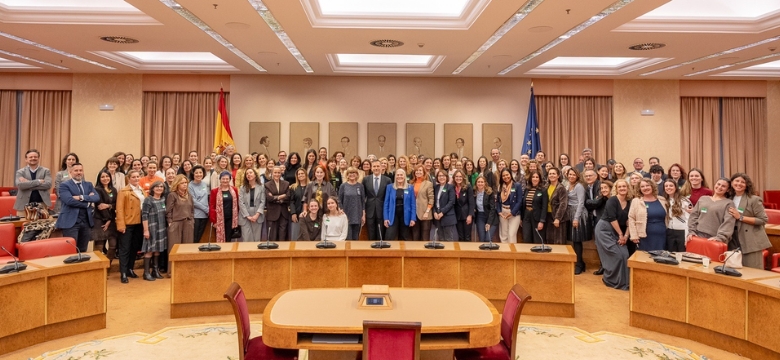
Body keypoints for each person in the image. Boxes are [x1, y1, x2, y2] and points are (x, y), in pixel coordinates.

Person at [594, 179, 632, 290]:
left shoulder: (630, 202)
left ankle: (625, 282)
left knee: (625, 255)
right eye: (619, 187)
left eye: (624, 186)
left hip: (619, 231)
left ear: (628, 188)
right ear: (616, 189)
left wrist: (625, 237)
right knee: (617, 255)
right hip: (604, 230)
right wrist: (621, 235)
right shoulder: (612, 200)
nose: (622, 188)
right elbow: (612, 218)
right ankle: (610, 279)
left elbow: (630, 221)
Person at [728, 173, 771, 269]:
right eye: (737, 181)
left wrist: (740, 217)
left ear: (747, 185)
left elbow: (763, 220)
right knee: (734, 271)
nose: (739, 184)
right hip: (733, 239)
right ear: (731, 183)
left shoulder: (754, 199)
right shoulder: (728, 198)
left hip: (750, 240)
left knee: (753, 271)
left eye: (743, 182)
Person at [56, 163, 99, 252]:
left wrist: (81, 197)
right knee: (71, 250)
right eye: (76, 170)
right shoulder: (64, 185)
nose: (78, 172)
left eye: (80, 170)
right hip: (70, 222)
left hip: (86, 222)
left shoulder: (89, 184)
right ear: (70, 172)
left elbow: (96, 197)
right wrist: (87, 203)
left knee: (83, 250)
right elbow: (69, 201)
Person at [687, 178, 736, 244]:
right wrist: (691, 232)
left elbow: (728, 222)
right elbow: (693, 216)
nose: (719, 187)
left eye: (723, 186)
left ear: (728, 190)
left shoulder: (729, 203)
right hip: (697, 235)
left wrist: (720, 237)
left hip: (715, 238)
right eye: (718, 184)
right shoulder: (703, 198)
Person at [116, 170, 143, 283]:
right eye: (134, 177)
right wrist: (121, 225)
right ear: (129, 178)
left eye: (138, 177)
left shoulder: (142, 190)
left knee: (134, 248)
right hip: (128, 223)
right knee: (125, 249)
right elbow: (120, 209)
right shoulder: (123, 191)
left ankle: (130, 269)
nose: (136, 179)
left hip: (139, 223)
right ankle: (123, 272)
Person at [628, 179, 668, 252]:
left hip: (662, 235)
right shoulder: (636, 201)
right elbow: (631, 218)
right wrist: (634, 235)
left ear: (652, 186)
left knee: (661, 258)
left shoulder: (662, 199)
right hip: (644, 236)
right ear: (639, 189)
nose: (645, 188)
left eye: (647, 185)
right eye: (642, 186)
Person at [166, 175, 194, 274]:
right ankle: (172, 271)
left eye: (186, 182)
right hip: (176, 223)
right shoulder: (172, 195)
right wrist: (170, 222)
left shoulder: (189, 195)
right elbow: (168, 210)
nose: (184, 184)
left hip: (188, 223)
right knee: (174, 248)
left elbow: (191, 210)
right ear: (177, 184)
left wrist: (192, 221)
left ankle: (186, 271)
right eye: (182, 183)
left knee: (187, 247)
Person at [142, 181, 167, 281]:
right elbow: (144, 216)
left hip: (161, 228)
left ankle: (155, 270)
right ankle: (146, 272)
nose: (159, 188)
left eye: (161, 187)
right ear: (152, 188)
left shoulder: (163, 199)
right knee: (149, 250)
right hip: (151, 228)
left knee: (157, 250)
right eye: (157, 187)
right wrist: (146, 230)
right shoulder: (148, 200)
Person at [564, 168, 588, 274]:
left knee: (577, 240)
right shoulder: (567, 185)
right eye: (570, 174)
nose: (571, 176)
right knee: (573, 240)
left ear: (577, 176)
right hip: (570, 213)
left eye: (574, 175)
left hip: (578, 214)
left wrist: (576, 218)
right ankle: (580, 262)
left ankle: (579, 264)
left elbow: (581, 203)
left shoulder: (579, 186)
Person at [14, 149, 52, 215]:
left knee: (42, 224)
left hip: (42, 204)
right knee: (22, 223)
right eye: (30, 157)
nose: (33, 158)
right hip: (23, 204)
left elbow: (48, 185)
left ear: (38, 158)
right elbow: (20, 186)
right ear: (26, 159)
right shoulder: (20, 172)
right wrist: (38, 181)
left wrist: (28, 184)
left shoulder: (46, 171)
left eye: (35, 157)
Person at [382, 168, 416, 240]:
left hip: (405, 215)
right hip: (393, 215)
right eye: (398, 175)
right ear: (395, 177)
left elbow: (413, 204)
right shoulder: (390, 187)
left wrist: (413, 218)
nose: (399, 176)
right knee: (389, 236)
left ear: (404, 176)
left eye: (401, 175)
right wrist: (386, 218)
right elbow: (386, 203)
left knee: (404, 237)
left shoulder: (410, 188)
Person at [587, 180, 612, 275]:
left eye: (605, 188)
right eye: (601, 188)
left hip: (612, 226)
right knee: (600, 246)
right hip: (600, 224)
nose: (603, 190)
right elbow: (590, 203)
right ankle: (603, 266)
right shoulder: (602, 198)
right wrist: (599, 197)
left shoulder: (614, 199)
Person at [362, 160, 391, 240]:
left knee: (381, 234)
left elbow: (388, 198)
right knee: (371, 234)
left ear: (381, 167)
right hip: (370, 210)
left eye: (378, 166)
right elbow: (363, 196)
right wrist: (363, 211)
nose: (376, 168)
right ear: (371, 168)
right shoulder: (366, 180)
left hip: (382, 210)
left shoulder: (387, 180)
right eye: (374, 166)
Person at [209, 171, 240, 243]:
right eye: (223, 179)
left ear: (230, 180)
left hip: (231, 218)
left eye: (227, 179)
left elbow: (237, 203)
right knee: (221, 238)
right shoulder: (214, 191)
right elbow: (212, 206)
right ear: (220, 179)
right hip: (219, 219)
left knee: (228, 238)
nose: (225, 181)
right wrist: (214, 221)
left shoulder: (234, 190)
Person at [662, 179, 690, 253]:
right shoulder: (663, 200)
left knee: (682, 254)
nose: (668, 187)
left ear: (675, 187)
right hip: (669, 231)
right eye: (666, 186)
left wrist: (687, 235)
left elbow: (689, 219)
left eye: (671, 185)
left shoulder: (684, 200)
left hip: (682, 231)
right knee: (671, 254)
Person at [338, 167, 365, 240]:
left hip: (357, 215)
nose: (352, 174)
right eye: (350, 173)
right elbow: (339, 200)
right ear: (347, 175)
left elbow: (363, 201)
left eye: (354, 173)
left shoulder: (360, 186)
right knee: (348, 237)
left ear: (357, 175)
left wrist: (363, 215)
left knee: (356, 238)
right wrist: (341, 210)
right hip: (346, 215)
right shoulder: (343, 186)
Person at [238, 168, 265, 242]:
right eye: (247, 174)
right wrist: (247, 216)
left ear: (255, 175)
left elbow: (263, 202)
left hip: (257, 215)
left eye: (250, 173)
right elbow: (241, 202)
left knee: (257, 239)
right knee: (246, 239)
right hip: (245, 215)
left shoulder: (261, 187)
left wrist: (257, 214)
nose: (248, 175)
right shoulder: (242, 188)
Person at [521, 172, 548, 244]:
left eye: (537, 177)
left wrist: (542, 221)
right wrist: (522, 218)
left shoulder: (543, 190)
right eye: (533, 177)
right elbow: (523, 204)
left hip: (537, 217)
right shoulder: (527, 189)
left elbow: (544, 207)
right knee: (526, 238)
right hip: (527, 216)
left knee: (537, 240)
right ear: (530, 179)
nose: (535, 179)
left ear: (539, 179)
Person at [265, 166, 291, 241]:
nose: (277, 174)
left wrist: (275, 198)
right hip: (272, 214)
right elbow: (269, 198)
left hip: (283, 213)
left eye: (278, 172)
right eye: (275, 172)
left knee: (283, 236)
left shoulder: (286, 184)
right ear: (272, 173)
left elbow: (288, 197)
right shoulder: (267, 185)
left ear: (281, 173)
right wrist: (280, 197)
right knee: (272, 237)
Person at [410, 165, 434, 241]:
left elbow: (431, 199)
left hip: (425, 214)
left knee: (425, 238)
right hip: (414, 214)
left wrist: (427, 211)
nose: (418, 172)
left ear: (424, 172)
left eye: (420, 170)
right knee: (415, 237)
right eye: (416, 170)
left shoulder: (428, 184)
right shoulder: (411, 183)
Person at [545, 167, 569, 245]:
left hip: (558, 218)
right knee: (549, 240)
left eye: (554, 174)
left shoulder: (561, 188)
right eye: (550, 174)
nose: (551, 175)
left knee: (559, 241)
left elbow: (563, 204)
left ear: (558, 176)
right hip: (548, 216)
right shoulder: (546, 187)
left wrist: (557, 218)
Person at [432, 170, 457, 241]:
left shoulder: (450, 187)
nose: (441, 177)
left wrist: (442, 212)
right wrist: (434, 212)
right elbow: (433, 201)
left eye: (443, 176)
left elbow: (451, 202)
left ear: (446, 177)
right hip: (437, 217)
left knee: (448, 239)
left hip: (447, 216)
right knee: (441, 239)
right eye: (439, 176)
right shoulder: (435, 187)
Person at [451, 170, 474, 241]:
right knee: (460, 237)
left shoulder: (468, 186)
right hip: (457, 215)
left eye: (460, 176)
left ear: (463, 177)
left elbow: (471, 202)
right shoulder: (452, 187)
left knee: (467, 237)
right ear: (454, 178)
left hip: (467, 215)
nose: (458, 178)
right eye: (457, 176)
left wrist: (470, 215)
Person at [189, 165, 210, 243]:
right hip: (196, 215)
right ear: (193, 174)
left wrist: (207, 210)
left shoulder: (204, 184)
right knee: (195, 237)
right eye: (196, 173)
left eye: (200, 172)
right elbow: (193, 201)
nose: (199, 174)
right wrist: (206, 209)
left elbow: (205, 198)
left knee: (200, 237)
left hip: (205, 215)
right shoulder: (190, 185)